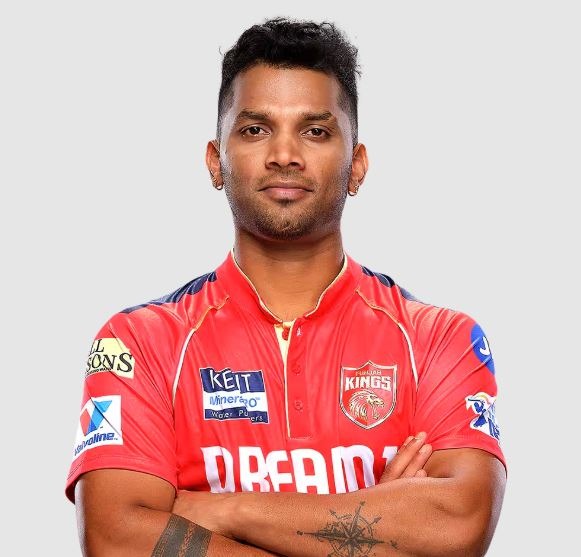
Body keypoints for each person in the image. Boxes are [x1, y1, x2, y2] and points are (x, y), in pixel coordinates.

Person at [66, 17, 506, 556]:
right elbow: (117, 540)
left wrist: (224, 510)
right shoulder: (140, 342)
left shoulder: (439, 339)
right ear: (215, 162)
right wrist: (375, 528)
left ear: (357, 166)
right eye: (255, 130)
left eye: (315, 131)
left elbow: (458, 527)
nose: (284, 154)